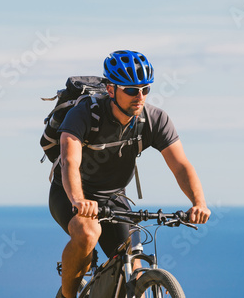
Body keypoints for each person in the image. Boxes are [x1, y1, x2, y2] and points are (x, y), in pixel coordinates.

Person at [49, 50, 211, 298]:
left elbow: (180, 166)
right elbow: (70, 161)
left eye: (145, 89)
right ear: (111, 89)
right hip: (71, 194)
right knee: (87, 232)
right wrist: (79, 201)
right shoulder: (84, 115)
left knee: (134, 266)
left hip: (114, 197)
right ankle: (68, 296)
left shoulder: (154, 119)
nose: (140, 97)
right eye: (131, 90)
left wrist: (198, 203)